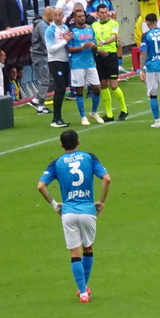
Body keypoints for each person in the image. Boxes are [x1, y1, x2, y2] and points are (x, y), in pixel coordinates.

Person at [37, 128, 111, 302]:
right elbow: (107, 178)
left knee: (74, 253)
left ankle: (83, 293)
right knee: (88, 249)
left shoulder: (56, 163)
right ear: (78, 142)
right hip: (88, 211)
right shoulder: (89, 157)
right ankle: (84, 286)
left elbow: (40, 186)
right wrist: (101, 202)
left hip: (68, 212)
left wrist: (56, 205)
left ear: (61, 145)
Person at [67, 8, 104, 126]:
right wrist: (82, 47)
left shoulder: (89, 29)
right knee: (79, 90)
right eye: (79, 16)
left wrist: (96, 47)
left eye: (83, 16)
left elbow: (93, 44)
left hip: (90, 62)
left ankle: (94, 112)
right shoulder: (72, 32)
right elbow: (69, 49)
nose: (82, 18)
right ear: (74, 18)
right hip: (77, 64)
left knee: (97, 88)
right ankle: (83, 116)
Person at [93, 5, 127, 121]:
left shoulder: (114, 24)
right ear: (97, 14)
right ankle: (109, 114)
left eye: (106, 12)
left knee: (113, 85)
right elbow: (93, 40)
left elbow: (113, 37)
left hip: (111, 56)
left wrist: (104, 42)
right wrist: (98, 49)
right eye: (101, 12)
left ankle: (124, 109)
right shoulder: (94, 25)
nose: (104, 14)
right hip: (100, 56)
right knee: (103, 84)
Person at [46, 8, 72, 128]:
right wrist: (65, 41)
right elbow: (50, 48)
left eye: (59, 15)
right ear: (52, 16)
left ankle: (58, 118)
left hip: (64, 61)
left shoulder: (65, 28)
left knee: (61, 89)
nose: (57, 17)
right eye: (55, 15)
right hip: (55, 61)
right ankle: (56, 118)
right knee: (60, 88)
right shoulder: (50, 30)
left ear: (62, 16)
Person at [26, 10, 52, 115]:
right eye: (53, 14)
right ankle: (39, 105)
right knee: (45, 80)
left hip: (41, 55)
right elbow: (46, 41)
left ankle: (37, 101)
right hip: (40, 56)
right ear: (48, 14)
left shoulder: (43, 24)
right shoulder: (42, 26)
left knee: (49, 79)